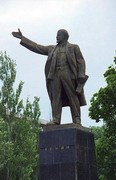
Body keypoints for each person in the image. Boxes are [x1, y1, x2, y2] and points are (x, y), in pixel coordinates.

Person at [12, 29, 88, 125]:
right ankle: (56, 119)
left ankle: (77, 119)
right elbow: (37, 47)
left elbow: (80, 61)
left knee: (73, 96)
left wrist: (81, 74)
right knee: (55, 97)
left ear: (64, 36)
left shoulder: (73, 47)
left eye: (58, 35)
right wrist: (23, 38)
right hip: (55, 75)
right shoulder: (52, 49)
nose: (56, 37)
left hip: (68, 74)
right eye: (57, 35)